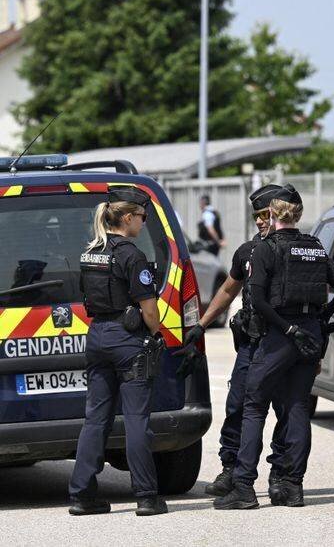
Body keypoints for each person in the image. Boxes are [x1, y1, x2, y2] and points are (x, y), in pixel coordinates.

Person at [213, 186, 334, 510]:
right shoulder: (315, 247)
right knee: (298, 407)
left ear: (273, 215)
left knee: (254, 407)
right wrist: (319, 318)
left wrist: (287, 328)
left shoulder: (266, 249)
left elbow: (259, 301)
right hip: (310, 337)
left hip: (278, 335)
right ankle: (292, 486)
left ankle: (243, 487)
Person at [176, 184, 291, 498]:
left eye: (265, 215)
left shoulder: (294, 249)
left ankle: (281, 476)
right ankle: (232, 469)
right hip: (252, 343)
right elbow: (228, 290)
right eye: (257, 216)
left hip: (284, 345)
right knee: (237, 406)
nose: (261, 221)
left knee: (287, 411)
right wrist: (201, 325)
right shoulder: (248, 251)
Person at [68, 186, 168, 516]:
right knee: (137, 420)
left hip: (97, 336)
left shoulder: (90, 252)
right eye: (141, 216)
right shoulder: (132, 256)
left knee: (96, 419)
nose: (143, 221)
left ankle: (81, 495)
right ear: (127, 218)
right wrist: (155, 334)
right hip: (127, 340)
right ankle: (146, 496)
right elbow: (149, 310)